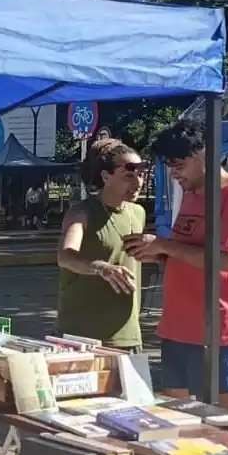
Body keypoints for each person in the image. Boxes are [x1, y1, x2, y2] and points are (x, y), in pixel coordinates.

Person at [123, 120, 228, 414]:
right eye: (169, 167)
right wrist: (158, 253)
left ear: (203, 155)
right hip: (177, 323)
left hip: (217, 325)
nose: (174, 174)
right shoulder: (191, 193)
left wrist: (166, 246)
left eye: (178, 165)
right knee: (176, 408)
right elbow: (191, 251)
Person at [57, 139, 148, 350]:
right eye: (128, 176)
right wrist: (102, 268)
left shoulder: (138, 213)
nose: (138, 183)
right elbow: (66, 256)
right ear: (106, 177)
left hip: (127, 334)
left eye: (141, 175)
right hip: (82, 336)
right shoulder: (82, 212)